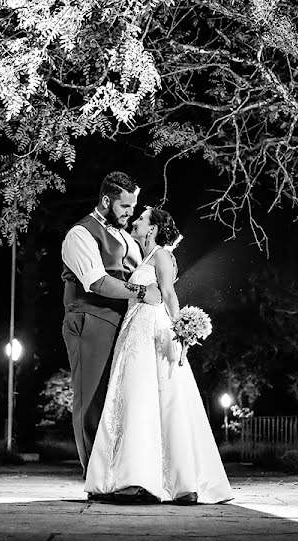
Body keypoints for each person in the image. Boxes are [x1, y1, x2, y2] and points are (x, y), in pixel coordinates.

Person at [84, 207, 233, 504]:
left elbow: (169, 294)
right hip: (134, 330)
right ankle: (140, 476)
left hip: (151, 330)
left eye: (141, 219)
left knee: (146, 398)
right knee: (137, 400)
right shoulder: (145, 258)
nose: (136, 221)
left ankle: (154, 481)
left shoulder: (162, 255)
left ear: (152, 229)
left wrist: (181, 332)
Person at [61, 172, 162, 480]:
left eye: (134, 206)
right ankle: (94, 475)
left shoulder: (124, 235)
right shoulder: (79, 234)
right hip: (90, 317)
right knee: (91, 398)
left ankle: (119, 474)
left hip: (125, 323)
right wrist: (144, 293)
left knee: (118, 398)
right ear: (106, 200)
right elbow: (98, 282)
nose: (130, 213)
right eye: (124, 206)